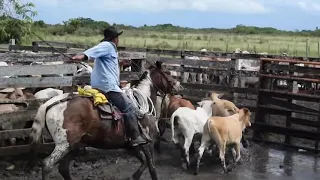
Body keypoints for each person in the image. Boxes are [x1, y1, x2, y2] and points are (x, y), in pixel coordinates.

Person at [71, 26, 148, 147]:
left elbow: (108, 65)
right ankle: (135, 137)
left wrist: (120, 63)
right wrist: (82, 56)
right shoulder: (107, 46)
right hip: (108, 86)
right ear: (115, 38)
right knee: (128, 107)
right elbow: (93, 51)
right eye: (118, 37)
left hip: (100, 84)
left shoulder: (110, 49)